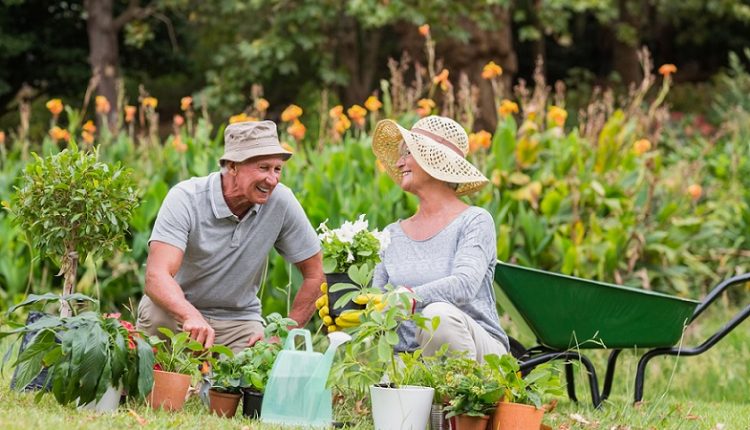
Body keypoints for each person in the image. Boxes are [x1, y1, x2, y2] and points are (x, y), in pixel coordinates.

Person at [321, 115, 508, 362]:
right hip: (408, 361)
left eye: (407, 153)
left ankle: (461, 398)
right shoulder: (391, 235)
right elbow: (379, 305)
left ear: (435, 159)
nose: (399, 163)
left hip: (482, 356)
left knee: (437, 317)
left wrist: (405, 298)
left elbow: (464, 285)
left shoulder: (474, 221)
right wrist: (347, 311)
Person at [136, 120, 324, 353]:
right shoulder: (185, 198)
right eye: (263, 168)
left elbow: (316, 273)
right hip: (175, 313)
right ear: (233, 166)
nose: (273, 179)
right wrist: (190, 315)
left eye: (277, 169)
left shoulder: (281, 202)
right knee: (160, 368)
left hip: (239, 322)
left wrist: (281, 335)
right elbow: (156, 276)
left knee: (254, 378)